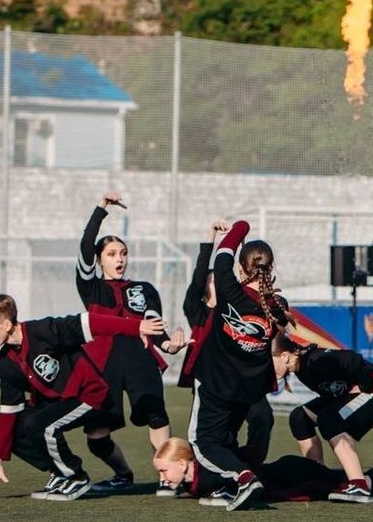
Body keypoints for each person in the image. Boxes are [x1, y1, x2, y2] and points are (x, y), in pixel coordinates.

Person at [0, 293, 165, 501]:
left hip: (90, 396)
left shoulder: (43, 330)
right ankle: (59, 472)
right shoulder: (6, 360)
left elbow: (90, 322)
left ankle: (76, 477)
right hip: (57, 404)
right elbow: (10, 411)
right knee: (2, 422)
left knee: (41, 425)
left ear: (7, 324)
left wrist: (137, 327)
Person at [76, 190, 185, 496]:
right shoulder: (91, 288)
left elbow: (154, 326)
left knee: (156, 416)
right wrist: (101, 208)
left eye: (123, 253)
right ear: (99, 260)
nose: (119, 259)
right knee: (96, 435)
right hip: (101, 364)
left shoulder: (143, 288)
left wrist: (169, 347)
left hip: (140, 359)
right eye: (112, 254)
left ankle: (168, 478)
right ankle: (123, 474)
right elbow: (85, 245)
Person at [189, 219, 288, 511]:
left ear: (241, 269)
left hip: (216, 384)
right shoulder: (278, 305)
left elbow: (224, 251)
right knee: (226, 439)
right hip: (249, 389)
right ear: (271, 268)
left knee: (203, 443)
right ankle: (227, 487)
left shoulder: (229, 289)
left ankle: (244, 477)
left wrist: (241, 227)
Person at [179, 219, 273, 468]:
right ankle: (229, 471)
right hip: (218, 380)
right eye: (209, 281)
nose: (214, 281)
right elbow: (200, 275)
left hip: (240, 382)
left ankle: (248, 467)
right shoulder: (199, 311)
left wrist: (239, 235)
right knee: (221, 435)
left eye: (216, 278)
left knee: (262, 417)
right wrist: (210, 238)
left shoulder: (238, 299)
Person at [272, 335, 373, 502]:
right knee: (299, 417)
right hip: (357, 392)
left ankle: (359, 486)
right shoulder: (301, 369)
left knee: (329, 420)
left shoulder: (315, 360)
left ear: (284, 356)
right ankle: (319, 478)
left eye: (270, 361)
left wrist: (364, 385)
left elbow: (352, 359)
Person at [153, 437, 373, 506]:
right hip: (290, 473)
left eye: (164, 470)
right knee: (359, 478)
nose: (162, 478)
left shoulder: (206, 476)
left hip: (295, 476)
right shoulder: (199, 475)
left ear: (183, 463)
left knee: (366, 485)